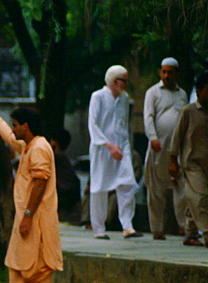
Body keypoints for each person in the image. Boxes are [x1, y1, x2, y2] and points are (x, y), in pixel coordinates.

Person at [0, 97, 62, 283]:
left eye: (16, 124)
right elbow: (9, 136)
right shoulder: (29, 145)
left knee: (40, 264)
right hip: (27, 215)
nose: (15, 128)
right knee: (17, 262)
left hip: (37, 216)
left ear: (25, 126)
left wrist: (28, 215)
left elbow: (40, 182)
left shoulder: (39, 147)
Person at [143, 57, 192, 242]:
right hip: (158, 148)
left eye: (170, 72)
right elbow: (148, 117)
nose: (166, 75)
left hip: (177, 149)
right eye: (163, 71)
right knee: (155, 190)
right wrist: (153, 138)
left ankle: (183, 226)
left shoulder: (182, 94)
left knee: (181, 187)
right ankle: (157, 229)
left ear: (176, 74)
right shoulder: (152, 92)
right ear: (159, 72)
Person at [88, 65, 140, 239]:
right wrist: (108, 145)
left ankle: (127, 226)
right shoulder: (98, 96)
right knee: (99, 187)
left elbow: (123, 125)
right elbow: (93, 124)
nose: (126, 84)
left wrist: (124, 147)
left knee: (128, 183)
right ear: (113, 80)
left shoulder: (125, 99)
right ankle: (99, 228)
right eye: (123, 80)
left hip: (121, 148)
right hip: (102, 148)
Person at [168, 72, 208, 247]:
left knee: (195, 199)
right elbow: (176, 138)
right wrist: (172, 161)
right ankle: (207, 232)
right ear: (199, 91)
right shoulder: (188, 112)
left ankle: (190, 234)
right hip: (191, 163)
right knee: (200, 196)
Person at [49, 127, 81, 223]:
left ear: (55, 142)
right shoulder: (63, 156)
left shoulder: (56, 156)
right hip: (71, 192)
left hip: (63, 193)